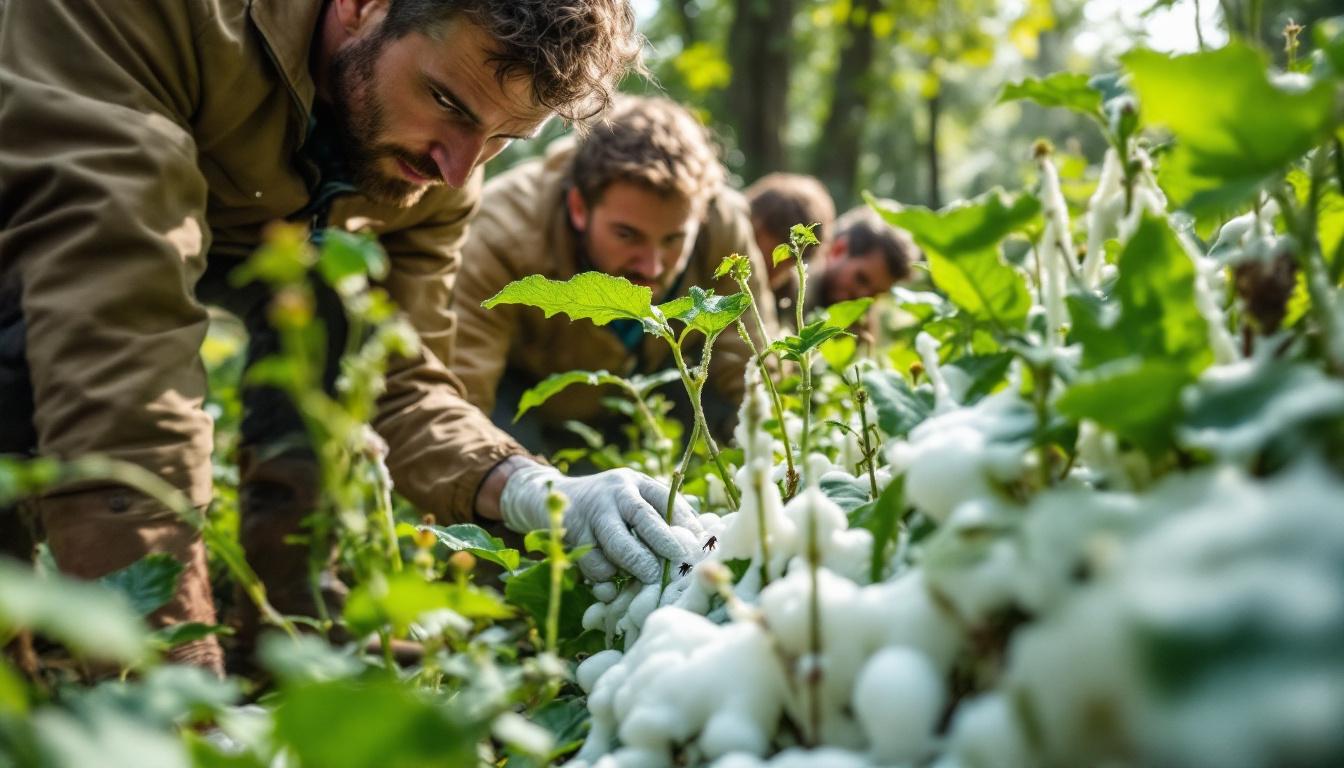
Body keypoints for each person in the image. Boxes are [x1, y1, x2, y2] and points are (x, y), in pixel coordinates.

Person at [0, 0, 701, 675]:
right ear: (362, 4)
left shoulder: (443, 163)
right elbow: (114, 326)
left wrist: (529, 487)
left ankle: (292, 629)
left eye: (502, 139)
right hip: (43, 213)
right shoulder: (156, 19)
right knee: (27, 349)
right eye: (450, 104)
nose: (459, 170)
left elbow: (394, 364)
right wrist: (176, 679)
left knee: (334, 315)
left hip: (230, 235)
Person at [451, 96, 777, 446]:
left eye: (673, 240)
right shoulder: (504, 230)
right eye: (627, 235)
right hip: (527, 409)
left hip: (656, 403)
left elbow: (751, 362)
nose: (651, 266)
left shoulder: (723, 225)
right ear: (579, 207)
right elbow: (464, 387)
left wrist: (773, 456)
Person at [744, 173, 837, 323]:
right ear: (753, 223)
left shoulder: (786, 301)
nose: (761, 276)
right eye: (766, 263)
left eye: (776, 271)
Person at [803, 204, 921, 317]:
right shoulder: (792, 290)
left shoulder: (860, 326)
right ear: (838, 250)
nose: (863, 296)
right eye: (861, 279)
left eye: (875, 294)